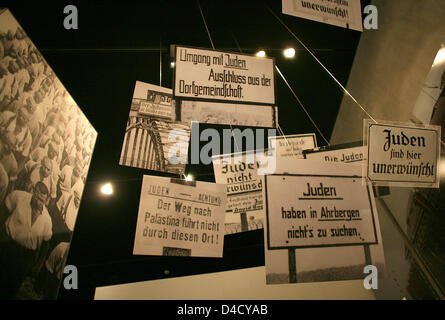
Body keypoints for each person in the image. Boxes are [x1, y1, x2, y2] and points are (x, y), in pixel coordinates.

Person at [0, 182, 53, 299]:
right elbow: (4, 210)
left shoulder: (47, 220)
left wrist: (38, 264)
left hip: (25, 256)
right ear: (34, 192)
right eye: (38, 198)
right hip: (8, 246)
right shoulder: (18, 197)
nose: (40, 202)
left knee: (12, 285)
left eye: (42, 200)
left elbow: (46, 243)